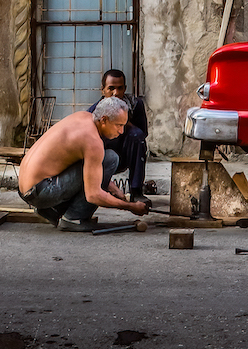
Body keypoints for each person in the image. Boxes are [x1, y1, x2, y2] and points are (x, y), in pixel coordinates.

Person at [19, 97, 149, 231]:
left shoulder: (83, 116)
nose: (121, 131)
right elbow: (93, 195)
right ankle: (74, 218)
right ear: (103, 120)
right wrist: (130, 207)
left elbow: (90, 171)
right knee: (111, 159)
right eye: (119, 125)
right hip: (42, 191)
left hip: (30, 188)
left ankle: (52, 210)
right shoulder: (92, 142)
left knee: (103, 161)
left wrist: (115, 190)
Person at [89, 69, 150, 205]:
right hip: (104, 157)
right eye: (111, 88)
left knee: (137, 136)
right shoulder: (95, 111)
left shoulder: (134, 105)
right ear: (103, 90)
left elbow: (143, 134)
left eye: (120, 88)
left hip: (125, 154)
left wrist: (125, 124)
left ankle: (136, 191)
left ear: (125, 89)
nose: (115, 93)